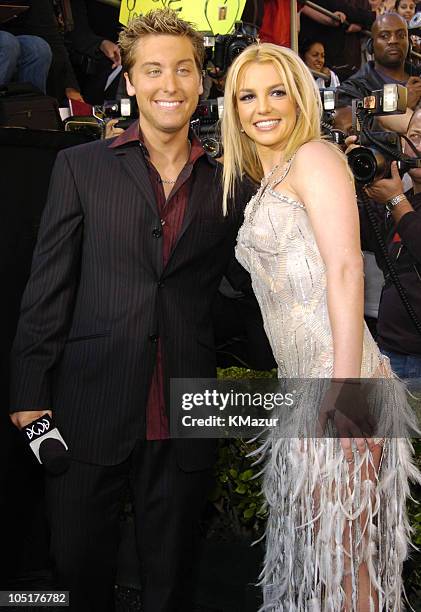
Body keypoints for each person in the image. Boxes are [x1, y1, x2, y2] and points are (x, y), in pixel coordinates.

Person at [9, 9, 254, 612]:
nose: (168, 84)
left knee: (171, 583)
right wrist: (26, 396)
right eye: (152, 70)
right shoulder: (80, 167)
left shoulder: (230, 184)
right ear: (132, 81)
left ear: (202, 80)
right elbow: (47, 290)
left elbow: (237, 290)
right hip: (87, 402)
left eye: (182, 70)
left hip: (185, 411)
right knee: (76, 574)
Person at [221, 42, 419, 610]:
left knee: (346, 564)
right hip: (307, 389)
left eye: (277, 91)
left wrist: (346, 390)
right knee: (328, 561)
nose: (263, 107)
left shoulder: (315, 158)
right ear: (234, 108)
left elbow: (346, 268)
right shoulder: (274, 174)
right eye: (247, 95)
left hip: (342, 384)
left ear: (301, 96)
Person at [362, 108, 421, 387]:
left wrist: (395, 200)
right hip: (390, 349)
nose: (417, 148)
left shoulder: (400, 202)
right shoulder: (402, 199)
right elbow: (375, 247)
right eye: (414, 137)